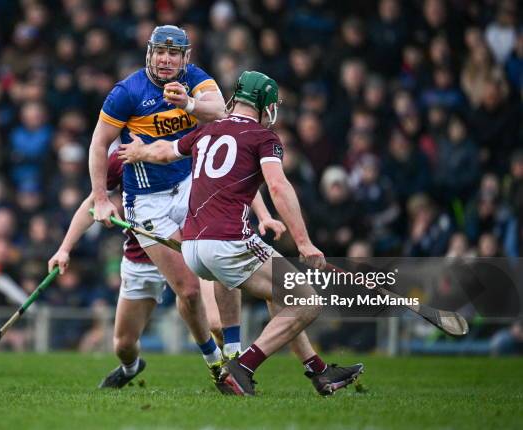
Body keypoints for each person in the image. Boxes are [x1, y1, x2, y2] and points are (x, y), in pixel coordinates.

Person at [119, 71, 364, 396]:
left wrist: (139, 152)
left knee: (280, 292)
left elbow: (164, 151)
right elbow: (277, 185)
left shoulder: (207, 130)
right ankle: (242, 367)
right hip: (229, 242)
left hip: (192, 247)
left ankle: (319, 372)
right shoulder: (264, 138)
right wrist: (304, 243)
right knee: (307, 302)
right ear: (266, 106)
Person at [48, 149, 285, 389]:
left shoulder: (191, 145)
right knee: (123, 345)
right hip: (142, 256)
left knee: (210, 317)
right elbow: (92, 203)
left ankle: (221, 366)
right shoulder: (123, 158)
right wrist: (64, 249)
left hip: (190, 247)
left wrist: (264, 215)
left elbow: (237, 179)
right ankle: (130, 367)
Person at [87, 25, 235, 377]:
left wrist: (188, 103)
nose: (166, 59)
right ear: (149, 54)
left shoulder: (196, 79)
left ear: (186, 57)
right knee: (186, 291)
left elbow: (221, 114)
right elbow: (97, 144)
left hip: (188, 186)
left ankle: (226, 358)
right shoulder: (128, 92)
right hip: (147, 203)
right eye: (160, 52)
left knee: (210, 269)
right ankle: (211, 359)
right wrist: (100, 198)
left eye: (174, 53)